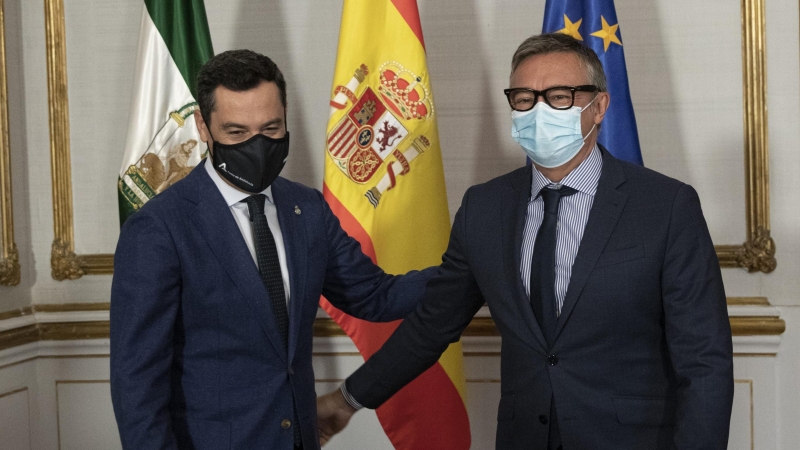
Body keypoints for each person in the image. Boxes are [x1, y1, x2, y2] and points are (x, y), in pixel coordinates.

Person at [317, 33, 734, 449]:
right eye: (524, 98)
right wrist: (347, 399)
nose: (538, 110)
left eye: (559, 97)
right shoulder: (484, 208)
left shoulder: (665, 205)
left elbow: (704, 360)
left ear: (599, 107)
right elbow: (431, 326)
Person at [110, 50, 431, 450]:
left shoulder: (307, 208)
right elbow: (137, 384)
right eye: (237, 133)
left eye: (270, 128)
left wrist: (472, 265)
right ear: (203, 127)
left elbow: (377, 296)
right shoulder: (159, 228)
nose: (257, 145)